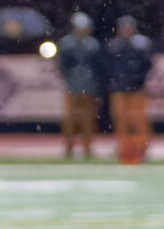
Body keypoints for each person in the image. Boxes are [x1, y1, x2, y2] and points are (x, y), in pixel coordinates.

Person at [106, 15, 154, 163]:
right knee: (121, 121)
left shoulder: (141, 44)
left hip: (136, 89)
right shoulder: (114, 46)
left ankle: (141, 149)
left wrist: (137, 80)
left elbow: (146, 65)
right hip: (120, 89)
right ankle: (124, 149)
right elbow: (109, 67)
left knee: (139, 122)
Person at [57, 11, 103, 160]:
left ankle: (87, 147)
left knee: (87, 118)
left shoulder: (92, 44)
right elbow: (62, 66)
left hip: (88, 87)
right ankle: (69, 147)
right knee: (71, 118)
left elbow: (98, 68)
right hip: (73, 85)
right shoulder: (67, 44)